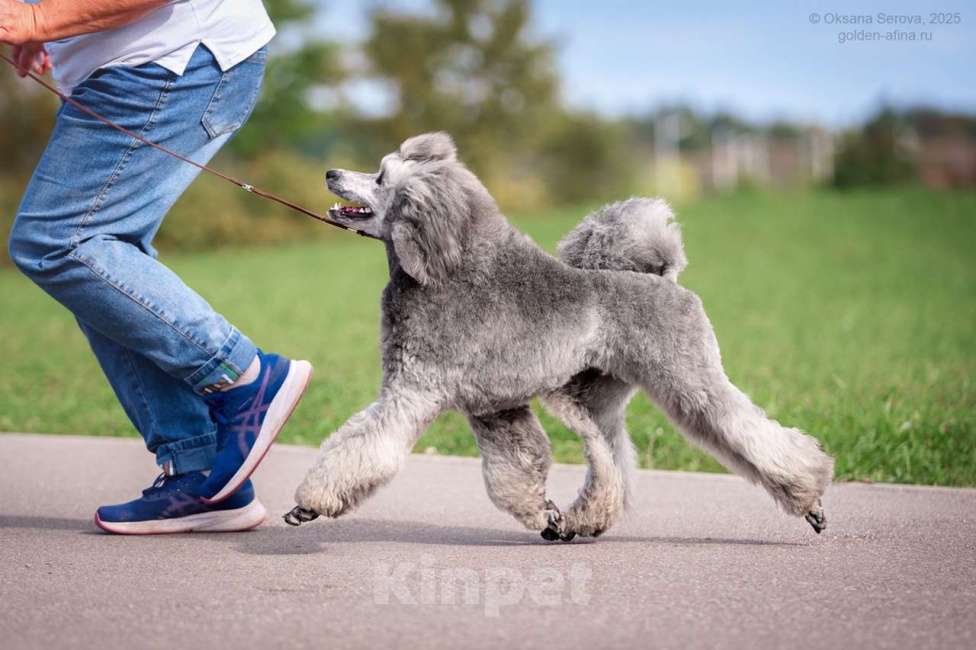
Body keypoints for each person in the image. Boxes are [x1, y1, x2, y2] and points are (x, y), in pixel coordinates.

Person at [2, 0, 312, 534]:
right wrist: (51, 20)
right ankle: (200, 471)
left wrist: (40, 21)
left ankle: (243, 376)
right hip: (139, 66)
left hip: (172, 63)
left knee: (58, 241)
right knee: (100, 255)